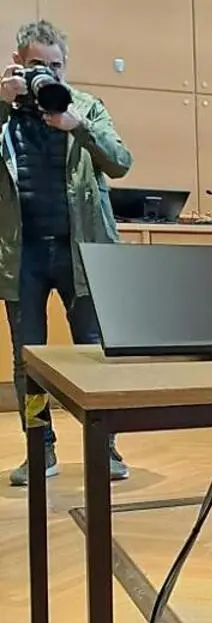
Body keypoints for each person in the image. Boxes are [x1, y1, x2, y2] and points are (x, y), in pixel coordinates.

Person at [0, 20, 132, 486]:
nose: (48, 75)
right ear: (18, 62)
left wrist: (79, 126)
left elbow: (121, 162)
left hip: (81, 254)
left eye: (56, 66)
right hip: (23, 255)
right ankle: (40, 448)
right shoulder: (4, 112)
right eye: (38, 65)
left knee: (94, 354)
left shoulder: (86, 106)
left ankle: (105, 447)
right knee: (28, 362)